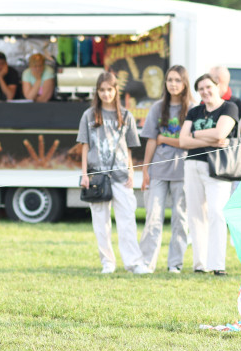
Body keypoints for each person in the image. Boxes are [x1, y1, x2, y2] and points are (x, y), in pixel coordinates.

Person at [78, 72, 145, 274]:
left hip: (122, 175)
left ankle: (133, 263)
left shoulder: (126, 116)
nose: (106, 94)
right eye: (102, 90)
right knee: (101, 223)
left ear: (116, 90)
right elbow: (84, 146)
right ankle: (108, 262)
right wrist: (84, 174)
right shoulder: (89, 115)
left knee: (127, 221)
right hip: (96, 175)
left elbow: (129, 148)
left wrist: (132, 172)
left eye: (109, 89)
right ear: (97, 92)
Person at [179, 73, 238, 276]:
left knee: (217, 213)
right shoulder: (195, 111)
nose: (205, 91)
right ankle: (200, 263)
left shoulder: (229, 107)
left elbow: (221, 134)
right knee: (196, 215)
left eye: (208, 87)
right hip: (192, 165)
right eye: (201, 89)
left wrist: (195, 134)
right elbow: (182, 141)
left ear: (217, 86)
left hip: (217, 168)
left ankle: (217, 264)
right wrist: (207, 138)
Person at [139, 65, 192, 273]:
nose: (173, 84)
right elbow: (152, 140)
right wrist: (145, 170)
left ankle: (175, 265)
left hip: (183, 172)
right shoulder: (157, 108)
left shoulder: (193, 109)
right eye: (170, 80)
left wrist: (165, 138)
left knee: (181, 219)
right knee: (153, 218)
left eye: (178, 80)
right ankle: (146, 263)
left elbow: (189, 142)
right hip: (158, 171)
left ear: (185, 83)